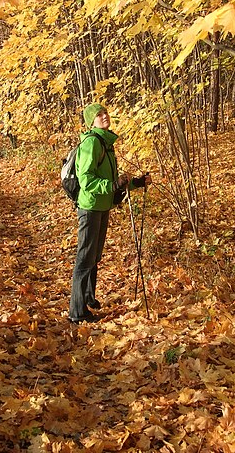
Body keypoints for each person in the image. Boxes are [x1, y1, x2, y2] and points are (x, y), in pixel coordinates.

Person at [68, 103, 151, 324]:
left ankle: (89, 298)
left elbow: (115, 182)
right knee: (85, 258)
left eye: (105, 112)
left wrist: (136, 183)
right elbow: (87, 180)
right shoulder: (92, 143)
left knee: (94, 257)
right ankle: (77, 313)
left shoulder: (106, 142)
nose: (104, 116)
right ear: (91, 122)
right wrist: (113, 184)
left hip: (103, 206)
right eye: (99, 115)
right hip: (90, 207)